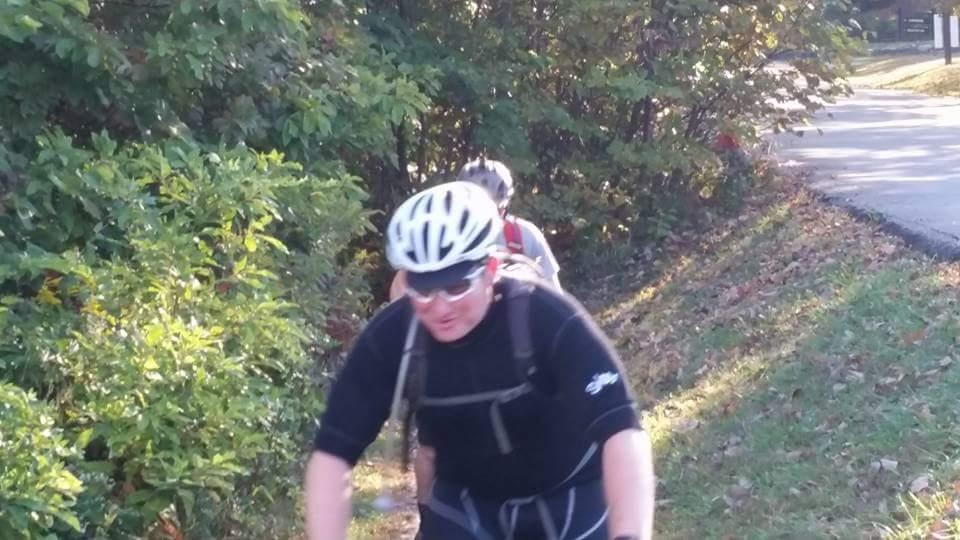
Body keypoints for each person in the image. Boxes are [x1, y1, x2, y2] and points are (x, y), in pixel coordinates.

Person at [304, 182, 655, 540]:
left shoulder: (545, 316)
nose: (439, 307)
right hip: (468, 504)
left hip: (571, 497)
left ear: (490, 268)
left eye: (457, 287)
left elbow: (622, 430)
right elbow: (332, 456)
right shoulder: (392, 335)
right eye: (423, 290)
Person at [389, 158, 562, 302]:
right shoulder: (438, 236)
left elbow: (555, 295)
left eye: (495, 210)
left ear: (504, 207)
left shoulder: (524, 235)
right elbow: (401, 290)